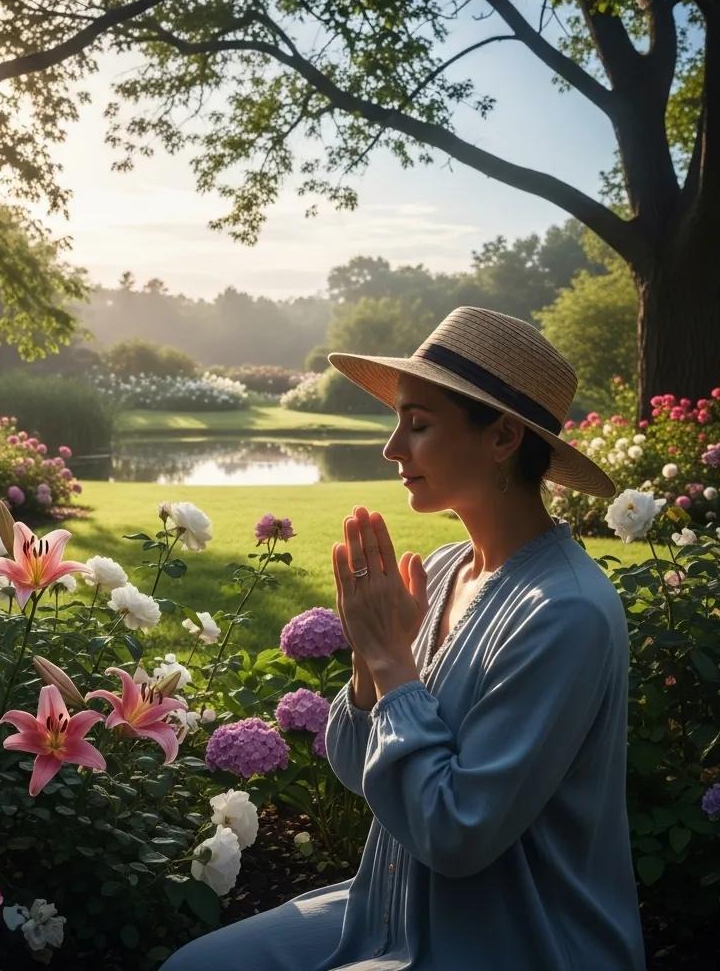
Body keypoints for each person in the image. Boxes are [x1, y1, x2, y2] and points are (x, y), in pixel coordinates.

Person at [160, 307, 646, 970]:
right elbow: (356, 766)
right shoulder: (444, 569)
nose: (393, 448)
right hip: (387, 907)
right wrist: (368, 657)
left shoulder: (566, 613)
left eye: (418, 425)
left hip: (512, 941)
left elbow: (456, 835)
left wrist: (393, 662)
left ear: (503, 437)